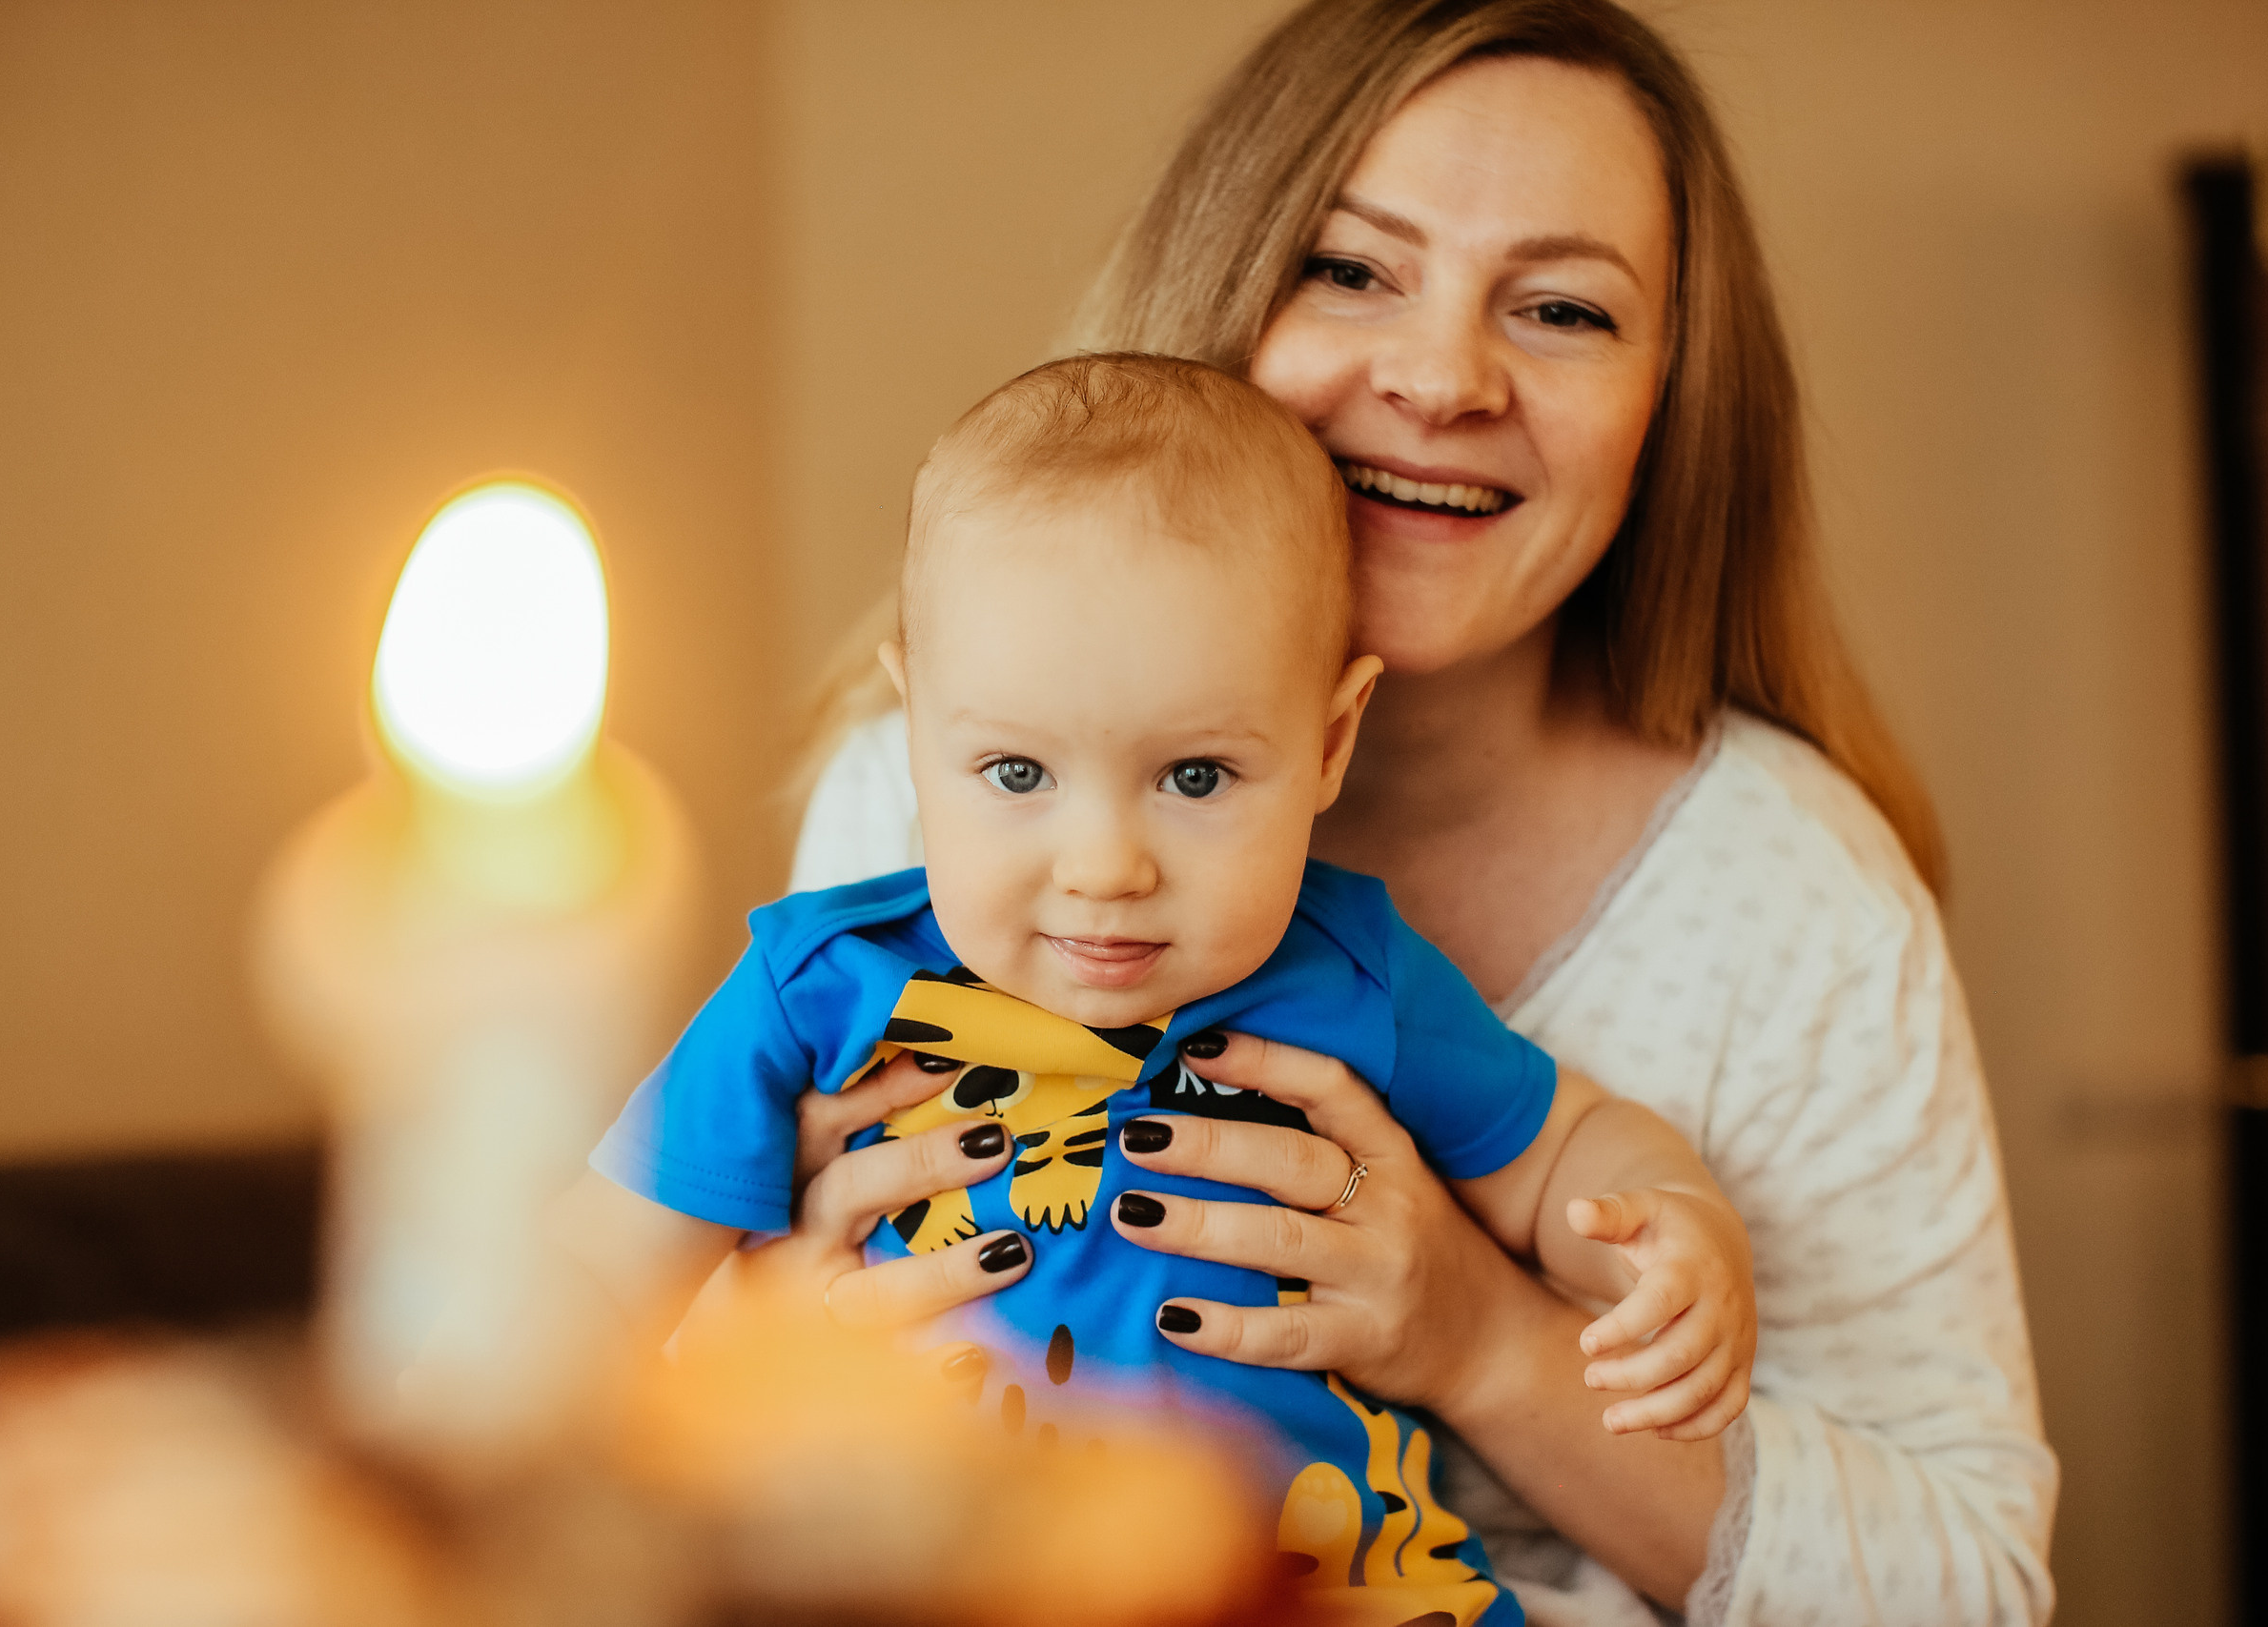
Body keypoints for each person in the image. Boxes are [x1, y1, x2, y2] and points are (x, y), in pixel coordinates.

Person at [764, 2, 2060, 1623]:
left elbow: (1971, 1596)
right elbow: (687, 1363)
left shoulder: (1798, 905)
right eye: (1354, 269)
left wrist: (1486, 1341)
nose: (1444, 378)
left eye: (1565, 308)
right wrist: (776, 1320)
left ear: (1672, 401)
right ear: (1221, 297)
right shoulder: (907, 796)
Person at [573, 354, 1761, 1627]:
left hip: (1317, 1589)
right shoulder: (816, 987)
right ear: (916, 734)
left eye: (1193, 779)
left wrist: (1675, 1222)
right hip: (944, 1582)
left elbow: (1566, 1144)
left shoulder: (1353, 973)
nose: (1104, 870)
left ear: (1328, 741)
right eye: (1017, 774)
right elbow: (589, 1284)